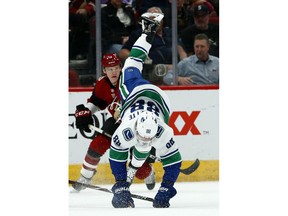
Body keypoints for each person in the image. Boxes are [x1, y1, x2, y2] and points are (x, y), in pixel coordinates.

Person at [108, 12, 182, 208]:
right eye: (144, 138)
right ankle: (148, 31)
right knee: (131, 64)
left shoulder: (163, 131)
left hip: (159, 101)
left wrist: (166, 188)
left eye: (150, 139)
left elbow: (174, 161)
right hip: (136, 93)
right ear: (135, 128)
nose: (146, 140)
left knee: (132, 64)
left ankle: (147, 32)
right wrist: (121, 184)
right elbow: (116, 153)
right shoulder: (127, 128)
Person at [72, 53, 157, 191]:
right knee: (98, 144)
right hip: (116, 122)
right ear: (104, 70)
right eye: (109, 69)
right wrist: (85, 113)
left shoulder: (129, 80)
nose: (113, 72)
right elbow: (95, 103)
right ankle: (85, 177)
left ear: (121, 68)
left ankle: (149, 172)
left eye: (116, 68)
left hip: (135, 123)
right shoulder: (102, 84)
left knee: (141, 170)